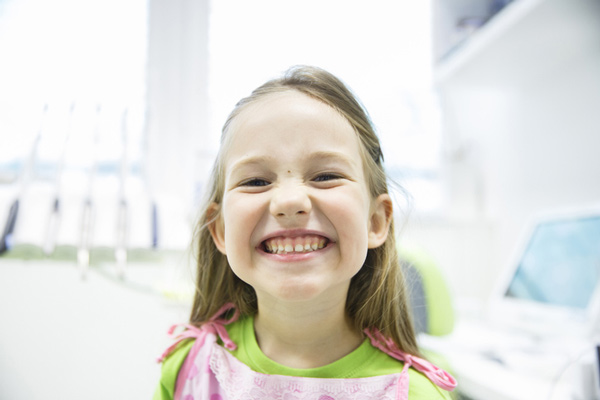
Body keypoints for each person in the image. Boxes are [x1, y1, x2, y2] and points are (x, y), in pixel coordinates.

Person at [154, 65, 457, 400]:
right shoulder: (188, 369)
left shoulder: (416, 395)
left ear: (375, 222)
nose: (290, 201)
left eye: (325, 176)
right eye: (256, 181)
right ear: (221, 229)